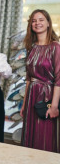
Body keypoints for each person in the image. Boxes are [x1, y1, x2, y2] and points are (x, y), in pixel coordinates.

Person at [20, 9, 60, 152]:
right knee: (30, 135)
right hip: (32, 96)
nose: (37, 23)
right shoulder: (31, 47)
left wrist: (54, 106)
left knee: (44, 136)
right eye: (34, 21)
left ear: (48, 23)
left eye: (41, 20)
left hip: (47, 97)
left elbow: (59, 80)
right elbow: (29, 79)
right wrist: (24, 104)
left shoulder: (55, 47)